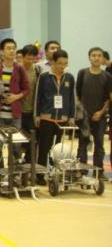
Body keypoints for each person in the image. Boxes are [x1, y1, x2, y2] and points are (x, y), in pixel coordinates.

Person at [34, 50, 75, 185]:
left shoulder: (69, 78)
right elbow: (38, 97)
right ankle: (40, 175)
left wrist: (72, 116)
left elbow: (72, 98)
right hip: (46, 118)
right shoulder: (44, 77)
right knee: (44, 148)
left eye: (65, 63)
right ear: (53, 62)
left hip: (62, 119)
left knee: (59, 150)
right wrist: (37, 115)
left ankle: (56, 174)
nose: (62, 66)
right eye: (60, 63)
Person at [0, 38, 29, 166]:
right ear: (2, 51)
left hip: (15, 114)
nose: (12, 51)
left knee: (16, 147)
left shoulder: (19, 68)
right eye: (8, 48)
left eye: (13, 48)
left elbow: (26, 89)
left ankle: (16, 173)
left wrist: (16, 97)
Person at [76, 47, 112, 174]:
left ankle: (99, 172)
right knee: (82, 144)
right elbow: (77, 95)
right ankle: (82, 172)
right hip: (83, 116)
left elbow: (109, 98)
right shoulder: (82, 73)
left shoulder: (107, 76)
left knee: (99, 145)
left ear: (102, 58)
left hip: (100, 116)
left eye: (99, 55)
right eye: (93, 55)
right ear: (89, 57)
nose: (96, 58)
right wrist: (81, 112)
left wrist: (101, 112)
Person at [19, 44, 42, 163]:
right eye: (28, 58)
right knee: (18, 140)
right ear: (22, 57)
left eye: (33, 58)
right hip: (18, 111)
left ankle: (30, 164)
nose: (30, 61)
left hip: (32, 112)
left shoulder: (38, 71)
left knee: (33, 140)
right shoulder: (17, 69)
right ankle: (17, 163)